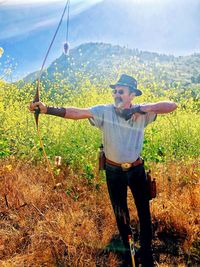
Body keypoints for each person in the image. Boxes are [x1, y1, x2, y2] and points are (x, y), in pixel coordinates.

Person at [29, 74, 177, 266]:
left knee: (143, 211)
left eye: (121, 91)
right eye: (114, 90)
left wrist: (140, 109)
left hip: (136, 170)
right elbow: (78, 113)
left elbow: (172, 105)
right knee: (120, 212)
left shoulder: (143, 112)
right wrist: (48, 109)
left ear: (132, 95)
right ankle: (129, 251)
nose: (116, 94)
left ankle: (147, 253)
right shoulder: (104, 111)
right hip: (114, 171)